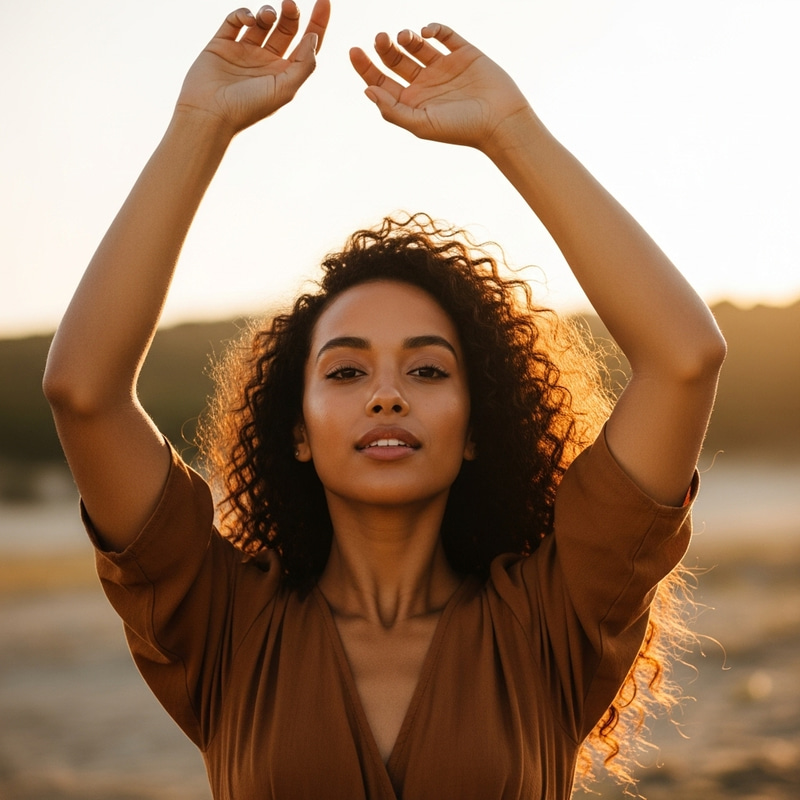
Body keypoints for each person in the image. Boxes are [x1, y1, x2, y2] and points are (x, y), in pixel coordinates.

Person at [43, 2, 726, 798]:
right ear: (296, 431)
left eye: (429, 371)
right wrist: (199, 126)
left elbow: (686, 359)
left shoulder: (553, 616)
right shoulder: (224, 623)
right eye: (346, 372)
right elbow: (83, 392)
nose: (388, 397)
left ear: (476, 429)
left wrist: (512, 130)